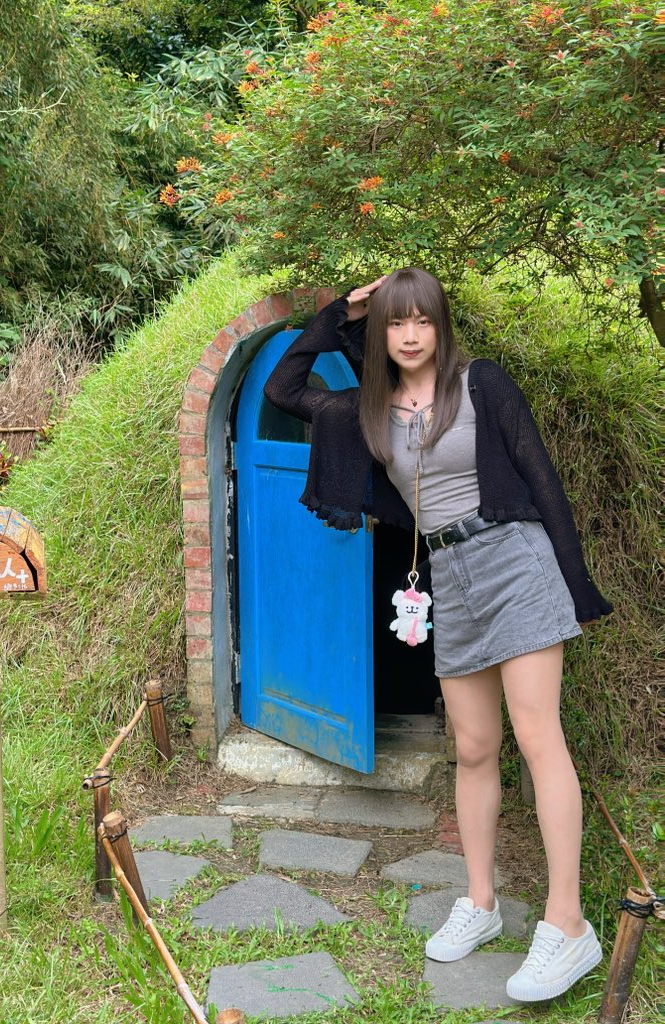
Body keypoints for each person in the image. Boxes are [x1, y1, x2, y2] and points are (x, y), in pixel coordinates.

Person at [263, 267, 612, 1002]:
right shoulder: (367, 410)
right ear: (380, 332)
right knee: (474, 747)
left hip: (514, 560)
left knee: (536, 734)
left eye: (422, 319)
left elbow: (542, 480)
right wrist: (340, 312)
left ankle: (568, 923)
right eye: (396, 321)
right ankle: (481, 903)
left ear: (440, 325)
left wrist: (576, 584)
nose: (410, 334)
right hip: (449, 575)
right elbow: (283, 390)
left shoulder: (481, 384)